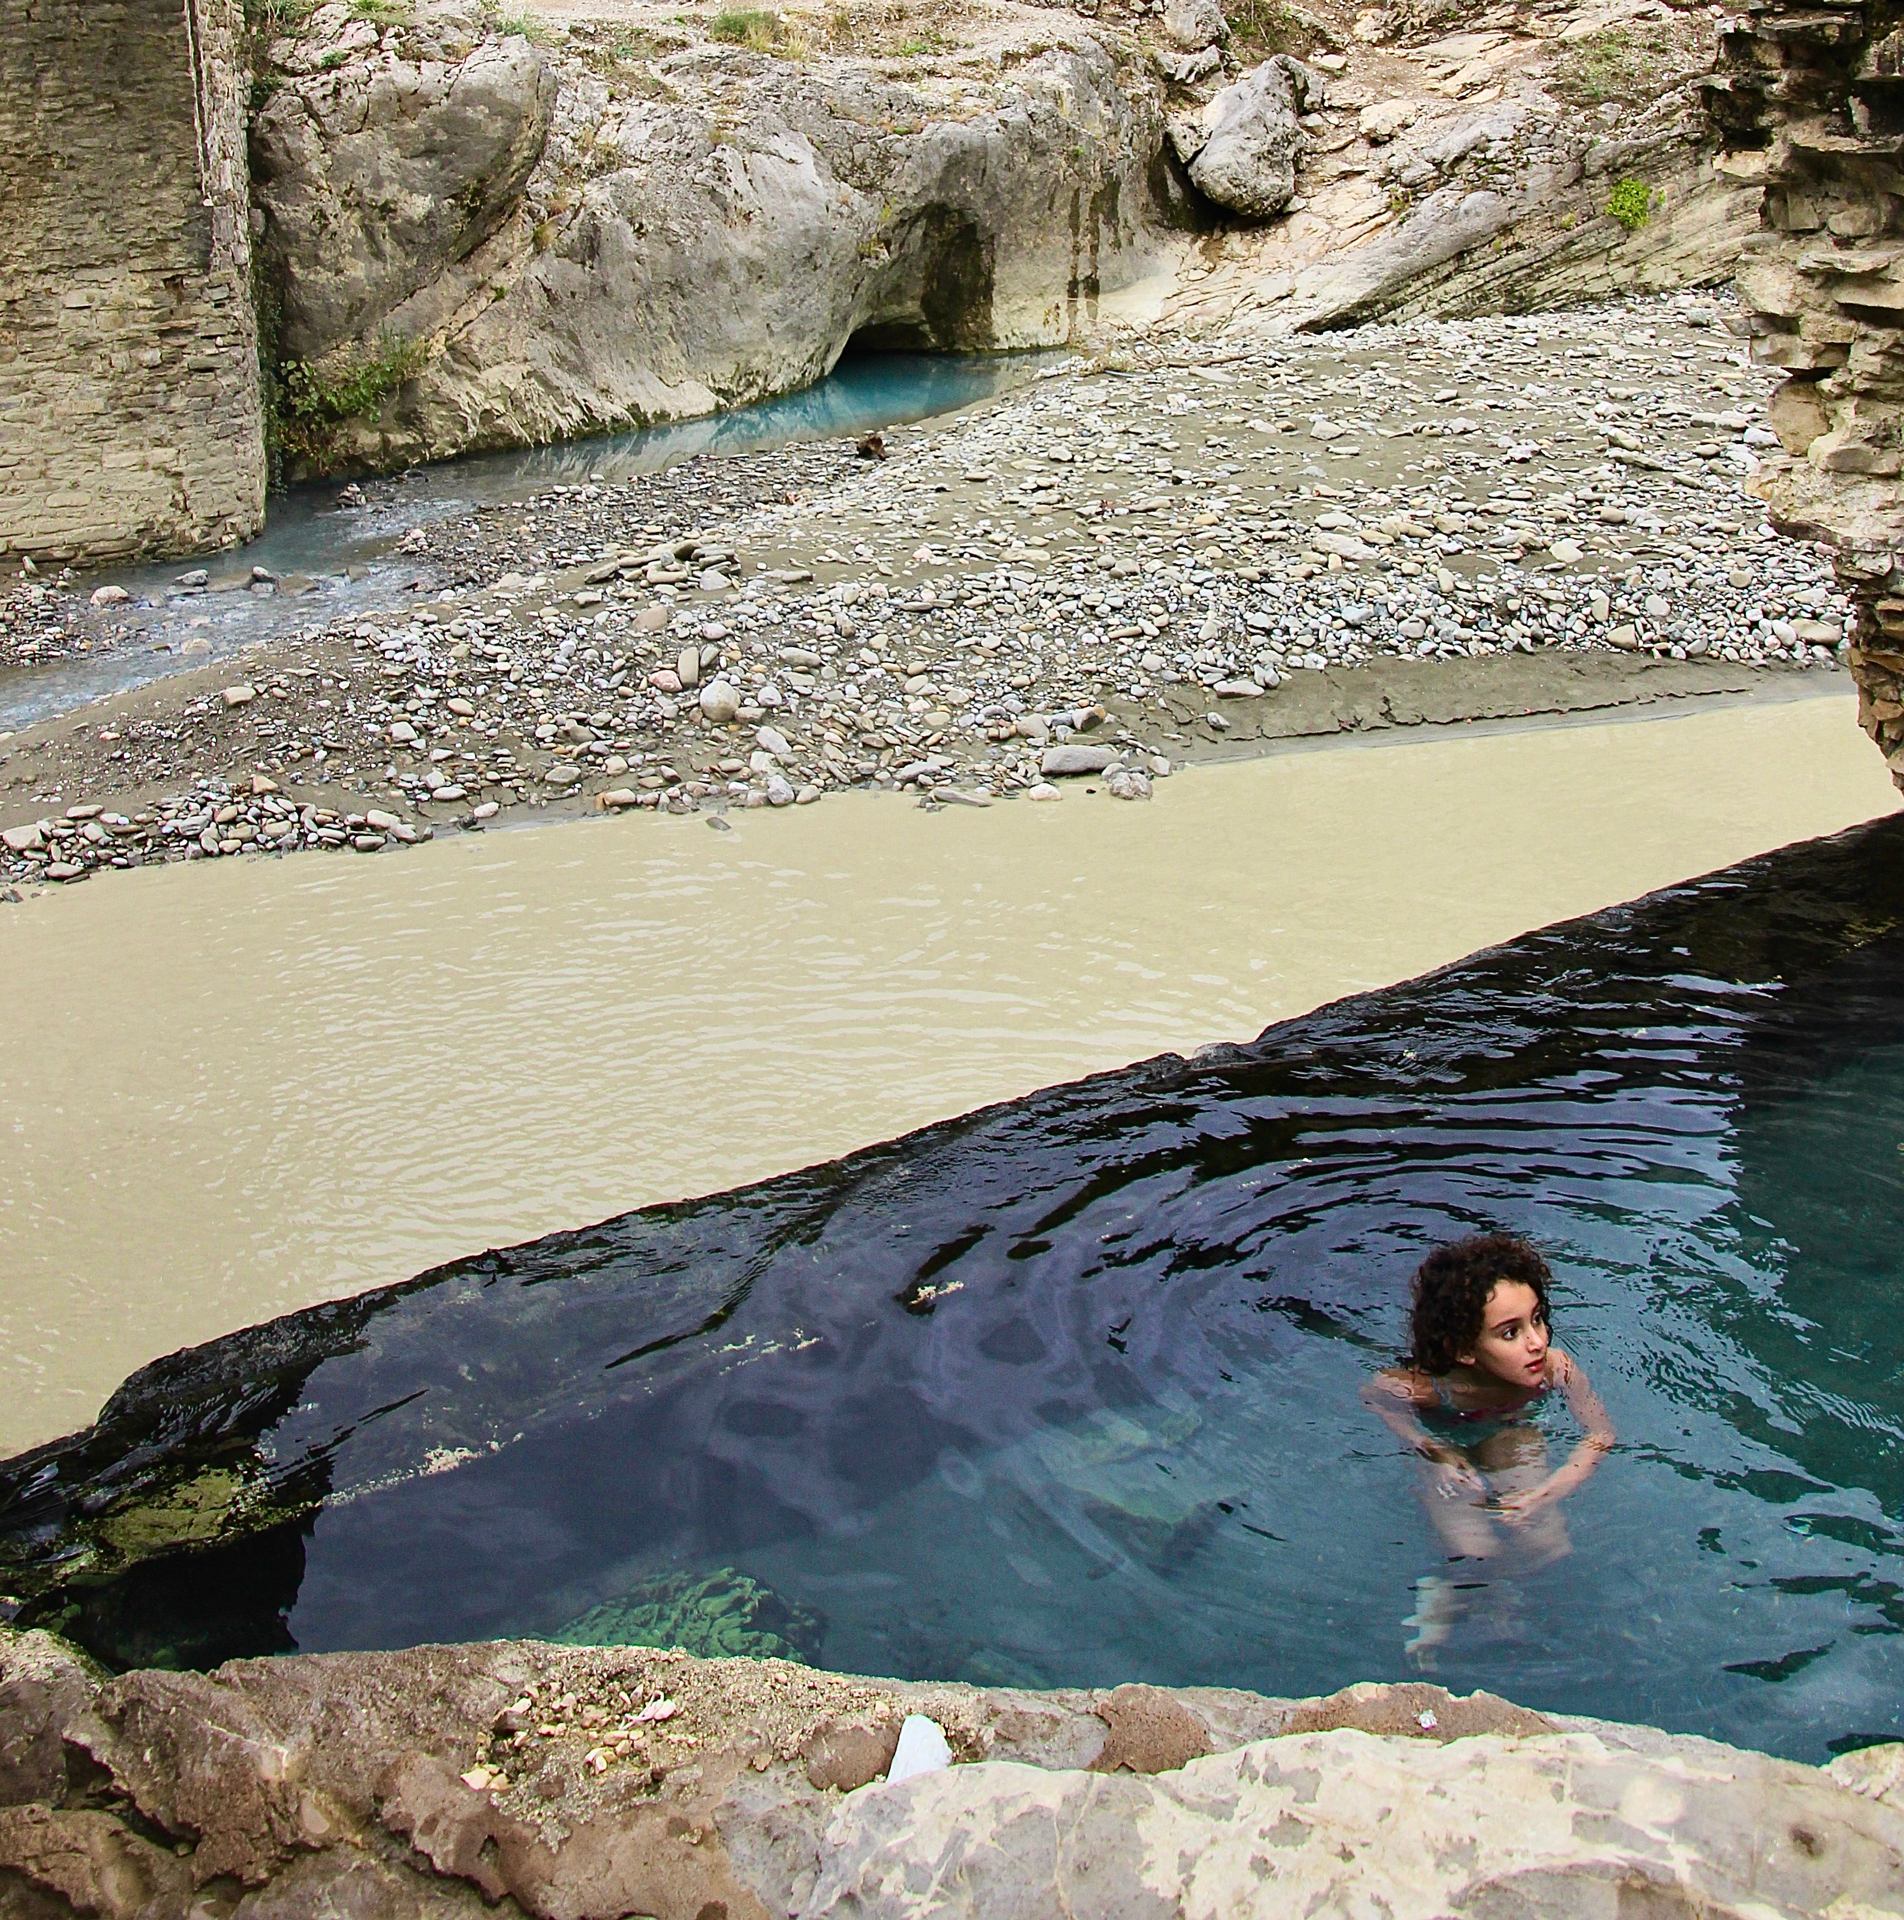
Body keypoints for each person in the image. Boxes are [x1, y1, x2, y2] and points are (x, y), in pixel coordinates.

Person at [1363, 1232, 1615, 1659]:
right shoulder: (1436, 1387)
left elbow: (1600, 1435)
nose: (1537, 1342)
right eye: (1510, 1333)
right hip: (1450, 1437)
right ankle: (1452, 1591)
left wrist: (1545, 1494)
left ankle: (1499, 1602)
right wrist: (1432, 1449)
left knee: (1550, 1545)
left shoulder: (1557, 1369)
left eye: (1537, 1319)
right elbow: (1376, 1394)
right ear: (1465, 1350)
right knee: (1472, 1551)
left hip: (1512, 1430)